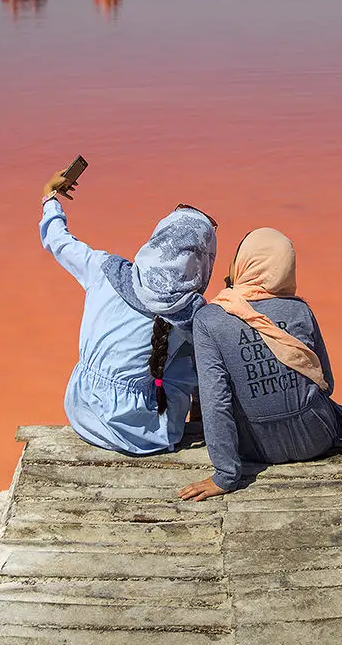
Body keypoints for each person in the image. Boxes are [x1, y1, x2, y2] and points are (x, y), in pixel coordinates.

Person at [179, 228, 342, 501]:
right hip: (316, 438)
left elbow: (216, 401)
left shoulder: (209, 320)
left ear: (240, 264)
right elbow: (326, 383)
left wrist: (225, 475)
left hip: (254, 447)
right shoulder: (300, 310)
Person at [39, 168, 218, 454]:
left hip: (81, 408)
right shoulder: (193, 313)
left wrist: (50, 197)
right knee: (193, 350)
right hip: (143, 433)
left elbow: (59, 242)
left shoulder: (103, 269)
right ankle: (196, 415)